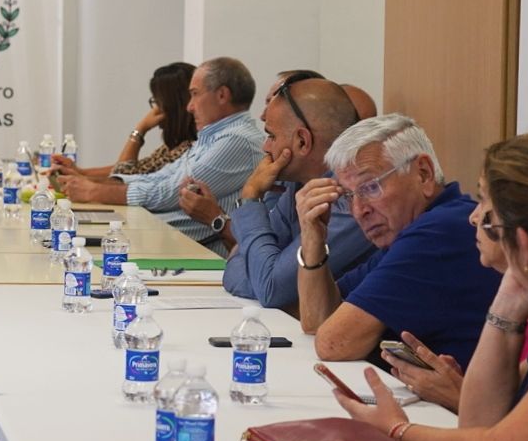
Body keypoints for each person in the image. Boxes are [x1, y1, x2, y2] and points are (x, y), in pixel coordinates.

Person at [336, 130, 528, 441]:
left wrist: (396, 432)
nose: (473, 218)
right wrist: (506, 306)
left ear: (524, 243)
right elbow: (479, 423)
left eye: (485, 205)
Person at [295, 114, 501, 367]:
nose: (358, 210)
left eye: (370, 187)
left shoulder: (439, 231)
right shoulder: (411, 231)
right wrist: (312, 238)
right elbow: (316, 320)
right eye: (348, 196)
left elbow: (333, 343)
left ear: (423, 174)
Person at [181, 76, 373, 310]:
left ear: (302, 141)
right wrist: (260, 275)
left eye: (271, 136)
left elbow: (271, 288)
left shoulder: (350, 200)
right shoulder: (297, 186)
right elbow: (236, 266)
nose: (265, 147)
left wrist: (251, 198)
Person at [378, 170, 528, 411]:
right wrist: (462, 387)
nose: (473, 218)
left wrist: (457, 397)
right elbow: (512, 404)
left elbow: (524, 429)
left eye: (484, 202)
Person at [60, 58, 264, 248]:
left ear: (222, 95)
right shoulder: (213, 137)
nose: (190, 107)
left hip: (188, 249)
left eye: (195, 94)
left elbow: (170, 193)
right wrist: (90, 185)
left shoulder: (237, 139)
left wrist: (94, 191)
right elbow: (158, 177)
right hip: (165, 238)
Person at [53, 62, 196, 178]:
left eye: (158, 102)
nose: (155, 109)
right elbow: (135, 168)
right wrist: (79, 172)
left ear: (171, 105)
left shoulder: (188, 149)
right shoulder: (174, 145)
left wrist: (140, 129)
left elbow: (122, 174)